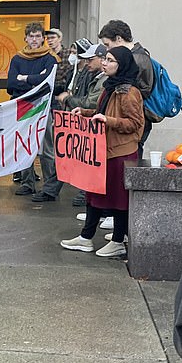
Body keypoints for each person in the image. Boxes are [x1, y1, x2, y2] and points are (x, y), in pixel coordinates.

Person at [60, 46, 144, 257]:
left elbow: (135, 124)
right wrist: (86, 113)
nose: (104, 63)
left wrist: (109, 121)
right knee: (94, 194)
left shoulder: (129, 91)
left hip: (121, 153)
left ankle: (118, 240)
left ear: (122, 65)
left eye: (110, 60)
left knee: (118, 199)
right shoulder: (110, 87)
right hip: (104, 151)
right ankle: (86, 237)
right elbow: (102, 112)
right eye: (105, 59)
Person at [6, 22, 59, 196]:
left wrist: (25, 78)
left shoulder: (49, 58)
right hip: (23, 106)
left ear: (43, 38)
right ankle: (27, 183)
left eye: (38, 36)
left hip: (44, 107)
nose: (34, 39)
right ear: (25, 38)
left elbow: (47, 82)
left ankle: (50, 187)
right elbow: (11, 83)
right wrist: (34, 80)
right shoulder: (17, 58)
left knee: (47, 149)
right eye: (31, 36)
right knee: (24, 146)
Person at [56, 42, 109, 207]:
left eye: (90, 59)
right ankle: (91, 201)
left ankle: (102, 208)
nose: (87, 63)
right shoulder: (95, 76)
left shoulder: (103, 80)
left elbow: (90, 102)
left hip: (101, 127)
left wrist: (68, 99)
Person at [98, 20, 154, 157]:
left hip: (126, 139)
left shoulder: (138, 60)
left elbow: (139, 96)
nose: (107, 50)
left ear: (118, 39)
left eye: (107, 45)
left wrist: (110, 118)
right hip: (116, 136)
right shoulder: (113, 84)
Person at [32, 28, 75, 202]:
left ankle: (54, 184)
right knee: (46, 146)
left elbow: (61, 80)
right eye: (47, 37)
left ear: (60, 38)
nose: (50, 40)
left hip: (60, 105)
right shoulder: (44, 56)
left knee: (56, 147)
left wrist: (43, 79)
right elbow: (41, 80)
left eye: (53, 37)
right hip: (46, 105)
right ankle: (49, 184)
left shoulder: (66, 55)